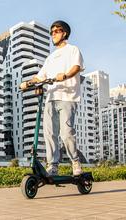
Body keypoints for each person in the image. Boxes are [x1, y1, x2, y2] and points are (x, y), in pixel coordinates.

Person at [20, 20, 84, 176]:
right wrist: (28, 83)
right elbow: (40, 76)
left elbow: (77, 67)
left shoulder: (73, 50)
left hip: (67, 97)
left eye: (57, 31)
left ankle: (75, 162)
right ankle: (52, 165)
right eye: (52, 32)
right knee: (49, 133)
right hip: (51, 98)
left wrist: (66, 75)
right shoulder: (50, 58)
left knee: (66, 132)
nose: (53, 34)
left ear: (65, 33)